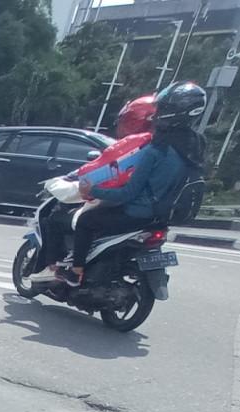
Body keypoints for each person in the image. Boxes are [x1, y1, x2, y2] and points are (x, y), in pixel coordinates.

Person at [57, 81, 205, 286]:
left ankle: (75, 272)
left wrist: (93, 189)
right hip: (163, 216)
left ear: (172, 112)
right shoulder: (195, 145)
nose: (157, 113)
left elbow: (128, 193)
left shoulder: (156, 150)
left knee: (85, 221)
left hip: (138, 214)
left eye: (162, 108)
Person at [29, 93, 156, 279]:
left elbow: (99, 169)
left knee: (63, 218)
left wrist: (83, 185)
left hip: (120, 203)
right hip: (145, 210)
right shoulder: (159, 147)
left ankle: (69, 268)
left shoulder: (135, 146)